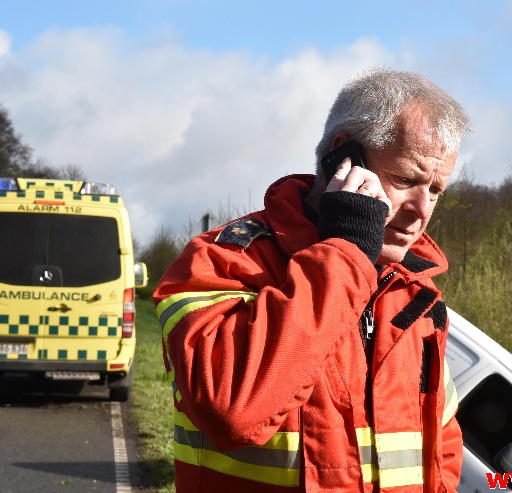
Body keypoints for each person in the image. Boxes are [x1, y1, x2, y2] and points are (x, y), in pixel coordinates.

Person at [153, 68, 470, 492]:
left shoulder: (414, 294)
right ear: (343, 157)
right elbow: (233, 408)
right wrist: (346, 252)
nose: (421, 210)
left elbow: (440, 452)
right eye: (407, 180)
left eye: (435, 191)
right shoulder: (222, 261)